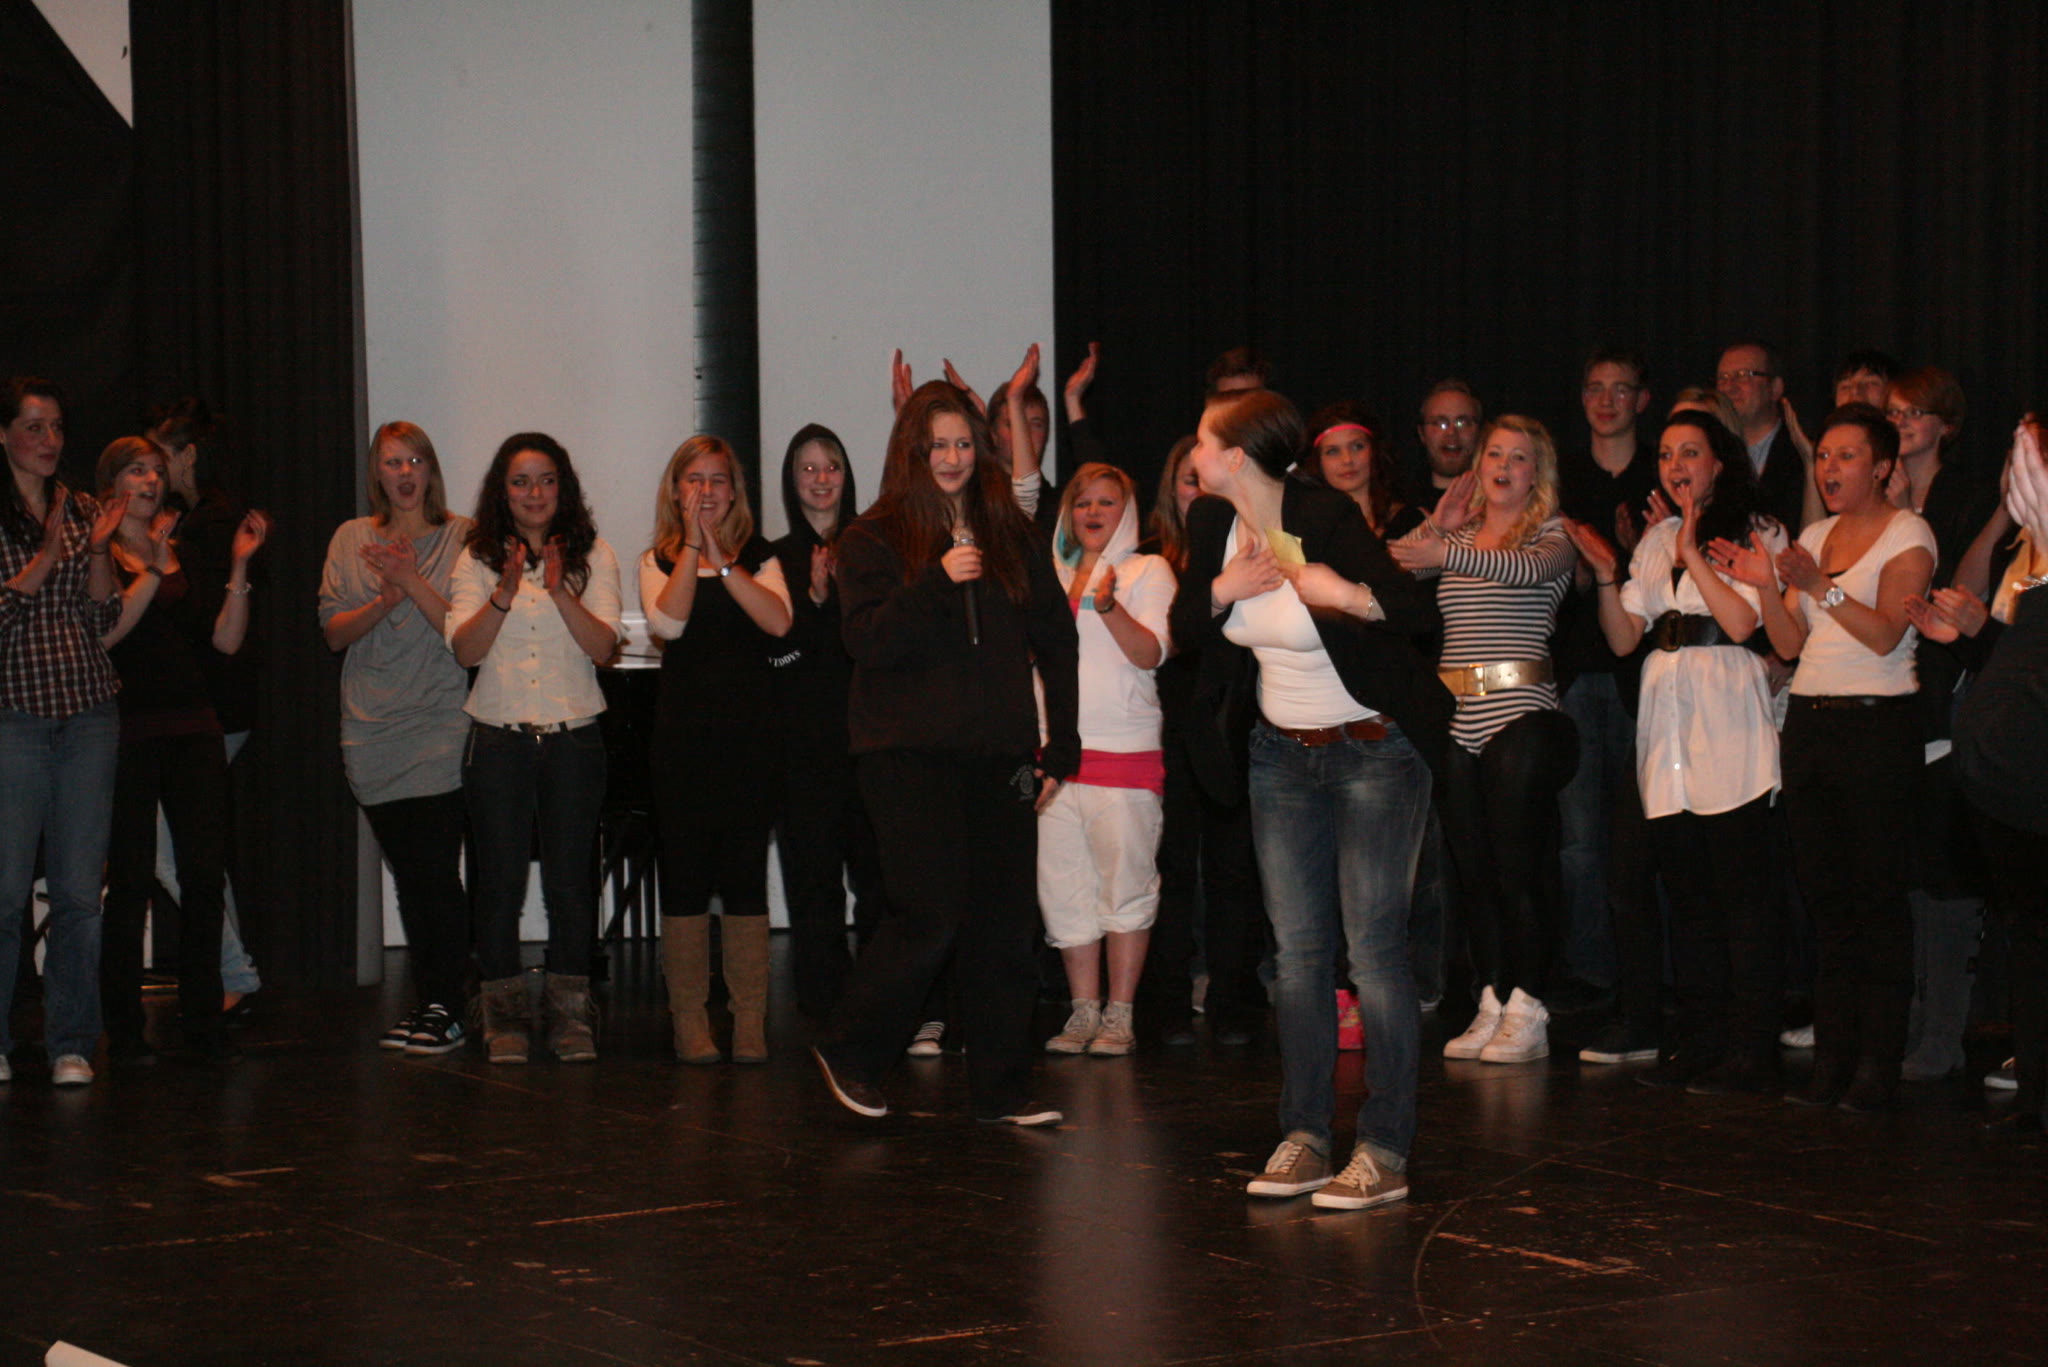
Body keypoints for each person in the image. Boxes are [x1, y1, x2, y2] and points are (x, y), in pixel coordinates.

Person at [1175, 387, 1446, 1210]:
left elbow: (1411, 610)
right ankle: (1305, 1135)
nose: (1193, 452)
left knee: (1373, 953)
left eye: (1203, 440)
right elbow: (1188, 628)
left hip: (1372, 752)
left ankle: (1385, 1147)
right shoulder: (1210, 522)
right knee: (1296, 957)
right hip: (1278, 757)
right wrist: (1222, 587)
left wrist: (1342, 591)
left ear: (1236, 455)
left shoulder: (1324, 516)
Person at [811, 350, 1079, 1126]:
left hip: (1004, 758)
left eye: (964, 443)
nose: (954, 458)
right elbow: (867, 639)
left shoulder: (1011, 532)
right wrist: (937, 582)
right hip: (906, 756)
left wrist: (1061, 743)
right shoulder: (872, 537)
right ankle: (852, 1049)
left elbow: (1056, 638)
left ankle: (1002, 1087)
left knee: (1007, 924)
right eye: (939, 445)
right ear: (912, 451)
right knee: (929, 913)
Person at [1720, 403, 1935, 1112]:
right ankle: (1832, 1061)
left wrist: (1819, 585)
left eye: (1847, 456)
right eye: (1824, 456)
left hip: (1877, 727)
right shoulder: (1814, 535)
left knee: (1876, 901)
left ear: (1882, 466)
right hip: (1810, 725)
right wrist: (1766, 584)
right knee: (1826, 901)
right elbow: (1787, 643)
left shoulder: (1909, 533)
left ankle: (1877, 1064)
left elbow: (1884, 634)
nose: (1830, 468)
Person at [1569, 416, 1788, 1092]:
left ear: (1720, 462)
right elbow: (1624, 639)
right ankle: (1700, 1039)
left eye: (1690, 452)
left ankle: (1752, 1048)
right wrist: (1608, 574)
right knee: (1688, 898)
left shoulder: (1758, 529)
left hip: (1728, 719)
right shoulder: (1657, 537)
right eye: (1665, 454)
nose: (1675, 464)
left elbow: (1744, 623)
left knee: (1742, 898)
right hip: (1665, 725)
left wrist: (1694, 552)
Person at [1393, 416, 1579, 1066]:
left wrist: (1444, 550)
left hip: (1522, 711)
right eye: (1494, 453)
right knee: (1472, 873)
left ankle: (1530, 1005)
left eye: (1518, 457)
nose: (1503, 465)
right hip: (1457, 715)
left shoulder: (1552, 536)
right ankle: (1494, 998)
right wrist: (1437, 526)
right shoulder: (1458, 537)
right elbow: (1388, 572)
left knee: (1517, 866)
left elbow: (1519, 570)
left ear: (1537, 472)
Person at [447, 434, 623, 1065]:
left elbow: (604, 647)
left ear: (562, 486)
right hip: (498, 740)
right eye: (521, 482)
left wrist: (558, 590)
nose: (534, 493)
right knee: (498, 884)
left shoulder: (593, 553)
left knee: (571, 884)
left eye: (546, 480)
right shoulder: (475, 558)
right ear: (503, 490)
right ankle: (503, 1014)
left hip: (573, 738)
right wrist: (504, 590)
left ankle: (572, 1014)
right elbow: (465, 651)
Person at [97, 436, 268, 1065]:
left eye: (156, 471)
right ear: (112, 483)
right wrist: (152, 566)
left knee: (203, 875)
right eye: (135, 471)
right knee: (131, 880)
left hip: (195, 725)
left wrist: (239, 567)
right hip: (128, 731)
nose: (150, 480)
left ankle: (203, 1020)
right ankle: (123, 1030)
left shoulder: (183, 552)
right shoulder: (100, 552)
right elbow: (108, 631)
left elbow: (225, 641)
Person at [319, 421, 474, 1055]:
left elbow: (466, 635)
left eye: (415, 461)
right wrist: (385, 598)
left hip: (438, 723)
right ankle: (432, 1001)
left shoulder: (464, 537)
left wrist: (410, 581)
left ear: (431, 469)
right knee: (410, 874)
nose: (405, 474)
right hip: (369, 730)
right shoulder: (351, 537)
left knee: (433, 871)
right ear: (376, 473)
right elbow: (334, 633)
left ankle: (448, 1005)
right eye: (392, 463)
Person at [641, 434, 793, 1064]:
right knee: (683, 879)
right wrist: (691, 548)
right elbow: (667, 623)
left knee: (744, 880)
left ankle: (749, 1018)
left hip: (749, 744)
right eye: (694, 479)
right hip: (682, 746)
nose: (706, 491)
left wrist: (723, 561)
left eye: (718, 480)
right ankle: (689, 1020)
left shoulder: (759, 556)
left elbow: (778, 621)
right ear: (676, 490)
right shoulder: (656, 558)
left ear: (735, 492)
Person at [0, 379, 125, 1087]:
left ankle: (71, 1042)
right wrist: (45, 559)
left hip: (87, 711)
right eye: (32, 426)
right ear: (3, 434)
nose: (48, 440)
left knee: (79, 893)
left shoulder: (81, 508)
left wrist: (100, 552)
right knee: (6, 893)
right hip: (13, 715)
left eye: (55, 427)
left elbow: (103, 620)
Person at [1882, 368, 1998, 1082]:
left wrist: (1910, 520)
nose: (1900, 422)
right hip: (1890, 695)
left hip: (1947, 693)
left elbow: (1961, 594)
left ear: (1946, 426)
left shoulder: (1965, 497)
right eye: (1893, 411)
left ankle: (1944, 1030)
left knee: (1945, 868)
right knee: (1907, 873)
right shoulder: (1878, 494)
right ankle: (1915, 1017)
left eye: (1915, 412)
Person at [1137, 437, 1271, 1046]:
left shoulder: (1255, 547)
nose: (1199, 491)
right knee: (1168, 865)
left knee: (1233, 866)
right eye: (1188, 480)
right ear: (1171, 489)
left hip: (1237, 721)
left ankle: (1233, 998)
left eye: (1207, 478)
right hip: (1162, 726)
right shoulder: (1149, 556)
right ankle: (1165, 998)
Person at [1038, 463, 1174, 1057]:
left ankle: (1120, 1016)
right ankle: (1082, 1013)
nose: (1093, 512)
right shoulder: (1047, 574)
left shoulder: (1148, 570)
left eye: (1107, 502)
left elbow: (1151, 654)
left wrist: (1108, 603)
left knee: (1126, 889)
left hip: (1125, 756)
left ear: (1129, 512)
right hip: (1055, 759)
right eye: (1082, 502)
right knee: (1064, 893)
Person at [146, 398, 262, 1013]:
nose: (152, 473)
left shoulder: (209, 524)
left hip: (210, 709)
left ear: (187, 455)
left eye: (159, 457)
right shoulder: (201, 518)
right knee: (192, 847)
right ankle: (233, 976)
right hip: (210, 709)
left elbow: (207, 624)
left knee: (174, 851)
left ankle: (235, 975)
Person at [1948, 417, 2048, 1131]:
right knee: (2031, 941)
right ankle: (2037, 1093)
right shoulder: (2026, 553)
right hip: (2020, 789)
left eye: (2030, 461)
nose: (2018, 477)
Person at [1555, 350, 1660, 1029]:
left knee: (1650, 834)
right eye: (1596, 388)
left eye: (1621, 389)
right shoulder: (1560, 477)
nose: (1607, 400)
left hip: (1645, 676)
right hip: (1573, 671)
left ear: (1641, 400)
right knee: (1578, 841)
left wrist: (1630, 551)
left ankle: (1653, 976)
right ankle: (1591, 972)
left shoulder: (1660, 473)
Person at [770, 423, 886, 1023]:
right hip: (805, 754)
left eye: (832, 466)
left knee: (880, 887)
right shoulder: (771, 560)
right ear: (791, 481)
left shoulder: (875, 548)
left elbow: (884, 645)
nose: (821, 479)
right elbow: (779, 661)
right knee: (813, 888)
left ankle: (879, 1005)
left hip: (874, 748)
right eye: (808, 468)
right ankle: (824, 1010)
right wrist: (815, 606)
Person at [1714, 341, 1811, 534]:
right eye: (1723, 379)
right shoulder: (1711, 452)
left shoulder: (1802, 455)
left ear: (1775, 388)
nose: (1729, 387)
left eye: (1743, 375)